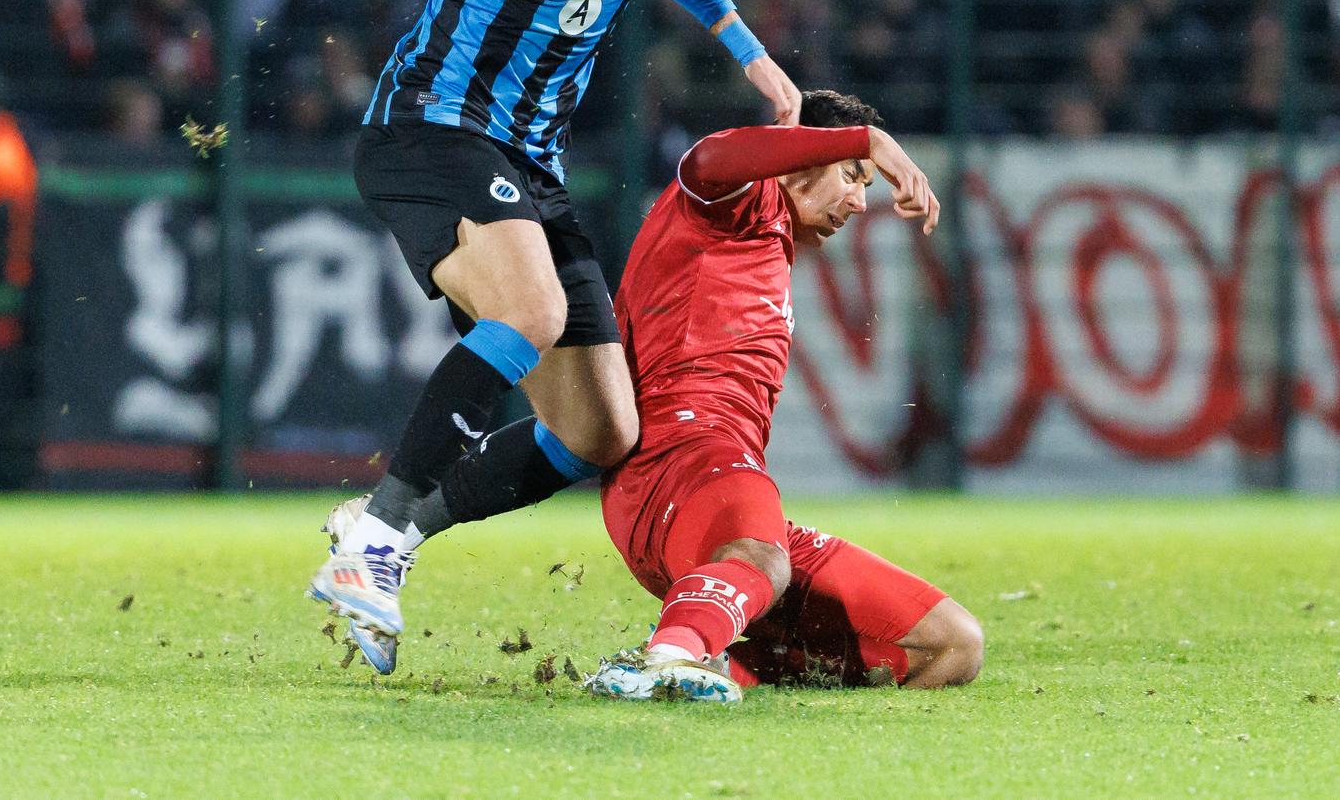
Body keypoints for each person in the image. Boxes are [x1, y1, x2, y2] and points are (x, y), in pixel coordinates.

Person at [160, 0, 802, 673]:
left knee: (599, 428)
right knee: (533, 312)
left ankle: (399, 533)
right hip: (433, 128)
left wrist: (750, 54)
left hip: (531, 163)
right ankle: (375, 529)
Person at [416, 90, 976, 702]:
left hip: (715, 487)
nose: (859, 202)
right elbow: (707, 160)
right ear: (798, 159)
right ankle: (666, 658)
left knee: (951, 646)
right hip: (677, 457)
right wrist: (865, 141)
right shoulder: (737, 202)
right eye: (851, 177)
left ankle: (715, 662)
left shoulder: (767, 237)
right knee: (763, 557)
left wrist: (856, 154)